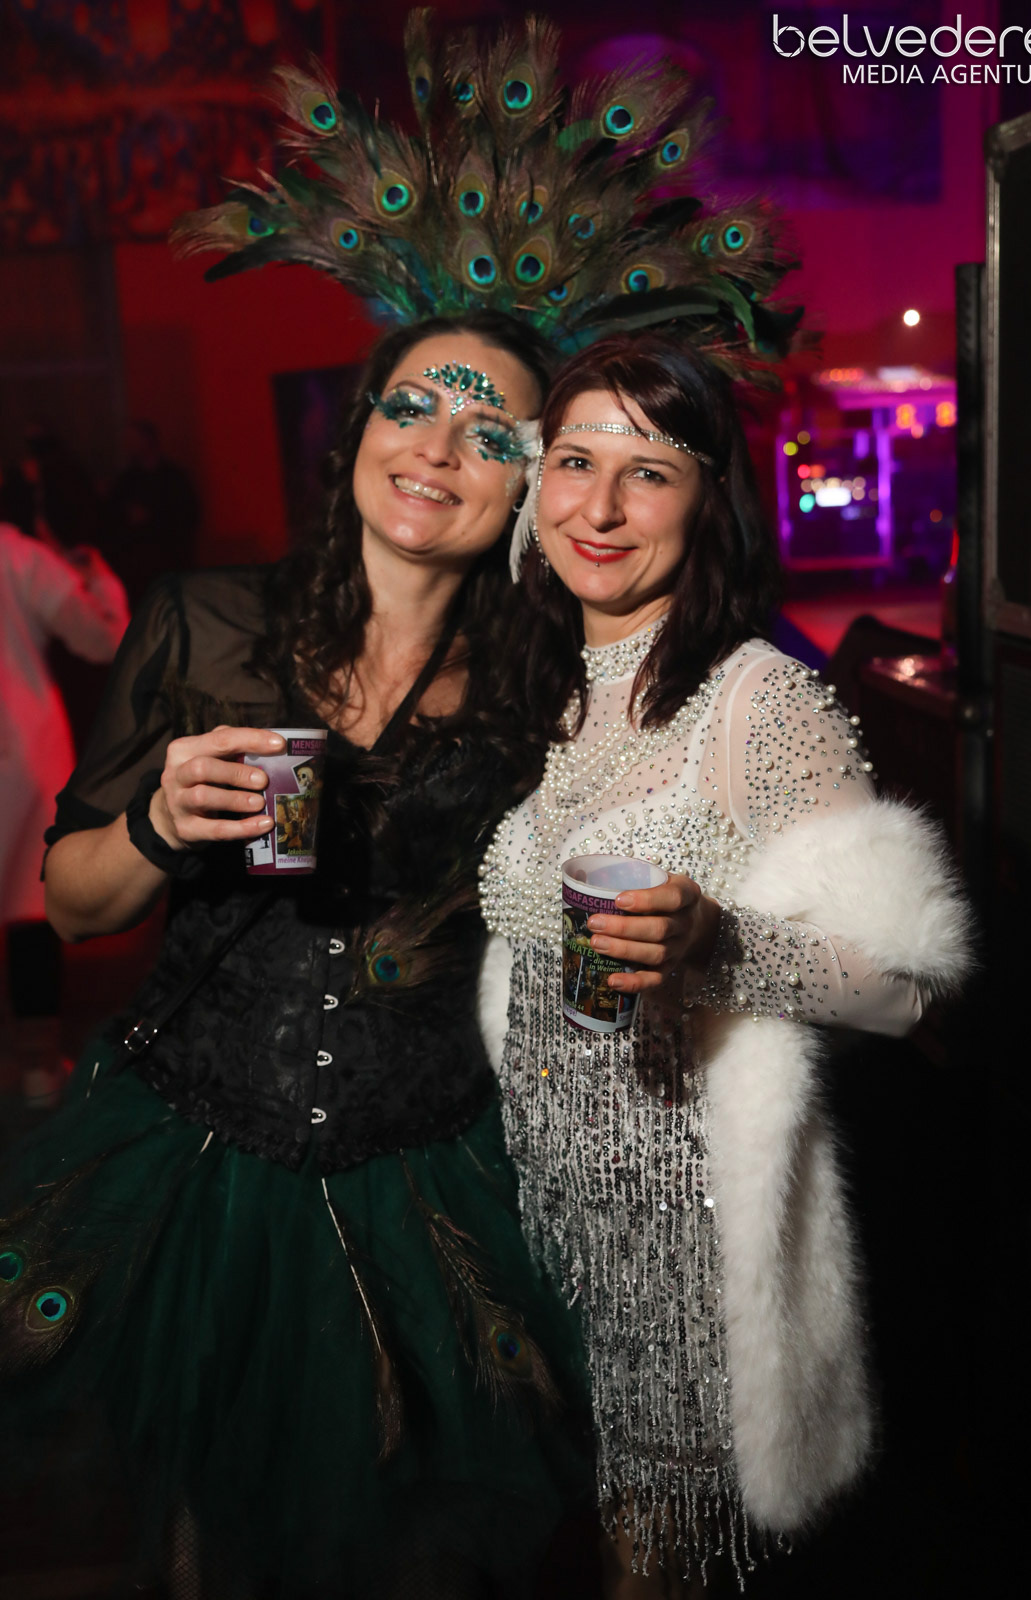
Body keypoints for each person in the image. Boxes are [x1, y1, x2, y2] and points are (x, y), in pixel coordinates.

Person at [4, 313, 595, 1599]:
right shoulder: (206, 621)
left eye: (487, 432)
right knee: (204, 1542)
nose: (436, 447)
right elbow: (72, 907)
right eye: (410, 406)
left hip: (430, 1177)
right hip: (194, 1163)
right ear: (358, 428)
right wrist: (159, 823)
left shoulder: (547, 685)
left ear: (528, 484)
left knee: (412, 1552)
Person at [478, 333, 974, 1597]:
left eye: (647, 472)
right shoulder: (547, 686)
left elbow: (904, 982)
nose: (597, 507)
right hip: (549, 1222)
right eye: (574, 461)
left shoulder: (760, 699)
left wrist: (719, 943)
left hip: (682, 1242)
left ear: (707, 502)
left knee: (657, 1567)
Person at [0, 524, 128, 1104]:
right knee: (31, 909)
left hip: (20, 756)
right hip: (22, 753)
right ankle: (37, 1067)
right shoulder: (18, 554)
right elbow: (103, 639)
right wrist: (93, 576)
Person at [103, 421, 199, 604]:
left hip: (168, 562)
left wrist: (153, 516)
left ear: (148, 440)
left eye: (133, 439)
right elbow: (112, 516)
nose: (128, 445)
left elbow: (187, 515)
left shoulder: (173, 478)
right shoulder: (127, 480)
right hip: (137, 568)